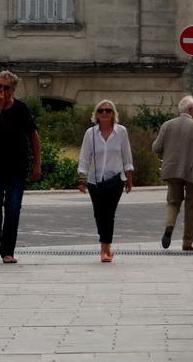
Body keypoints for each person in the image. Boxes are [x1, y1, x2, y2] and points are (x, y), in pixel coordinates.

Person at [0, 70, 41, 263]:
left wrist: (37, 163)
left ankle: (8, 251)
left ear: (13, 90)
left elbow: (33, 135)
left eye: (6, 87)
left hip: (17, 167)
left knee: (14, 208)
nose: (1, 90)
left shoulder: (21, 109)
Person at [77, 99, 134, 262]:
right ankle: (106, 246)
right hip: (95, 181)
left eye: (108, 110)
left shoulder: (121, 132)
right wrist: (81, 178)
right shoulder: (91, 134)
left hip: (115, 180)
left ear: (113, 114)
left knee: (108, 214)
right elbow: (84, 157)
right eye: (101, 111)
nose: (104, 113)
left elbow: (127, 157)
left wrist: (129, 179)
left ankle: (104, 249)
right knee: (98, 214)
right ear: (96, 114)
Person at [151, 95, 193, 251]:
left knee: (173, 202)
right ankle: (187, 242)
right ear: (190, 109)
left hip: (171, 170)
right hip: (191, 172)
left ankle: (169, 226)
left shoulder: (167, 125)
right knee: (191, 207)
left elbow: (156, 147)